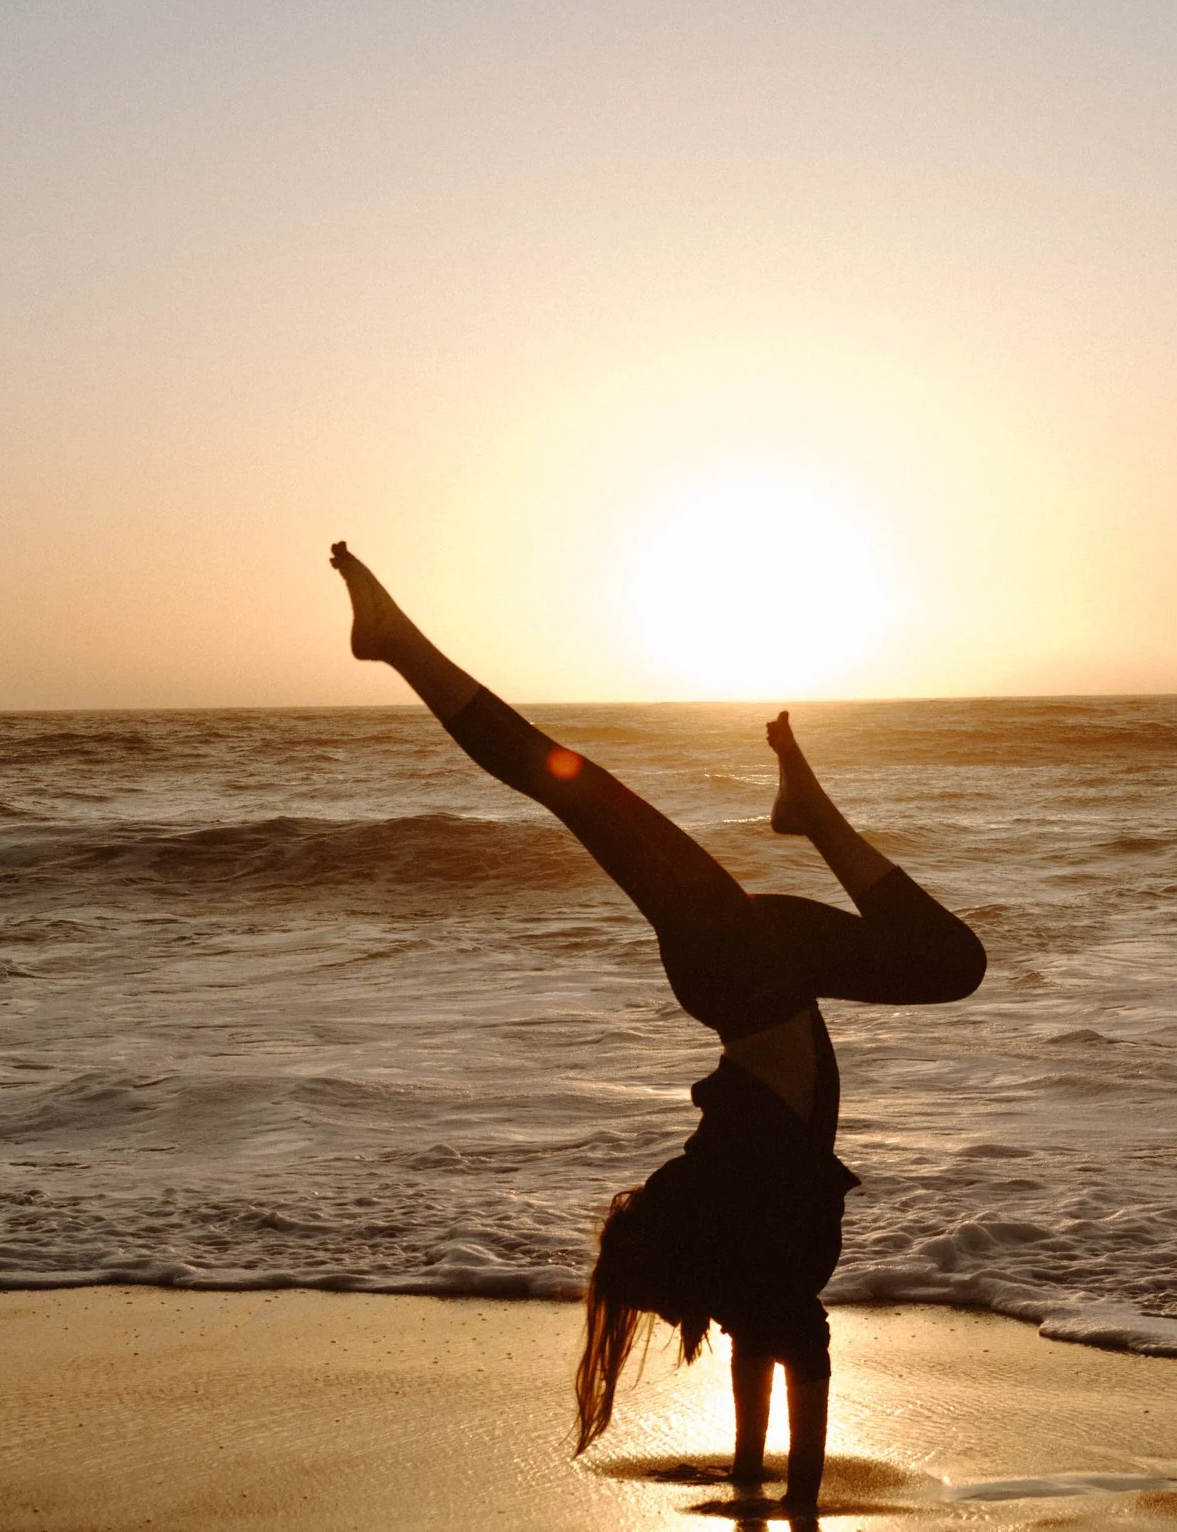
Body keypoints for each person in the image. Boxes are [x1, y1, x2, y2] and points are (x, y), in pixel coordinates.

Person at [330, 541, 984, 1517]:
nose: (681, 1317)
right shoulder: (752, 1266)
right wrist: (770, 1496)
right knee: (949, 964)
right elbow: (780, 1346)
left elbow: (789, 1346)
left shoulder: (747, 1227)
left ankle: (397, 643)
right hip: (754, 973)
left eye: (667, 1298)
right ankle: (805, 812)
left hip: (740, 968)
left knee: (574, 787)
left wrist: (791, 1501)